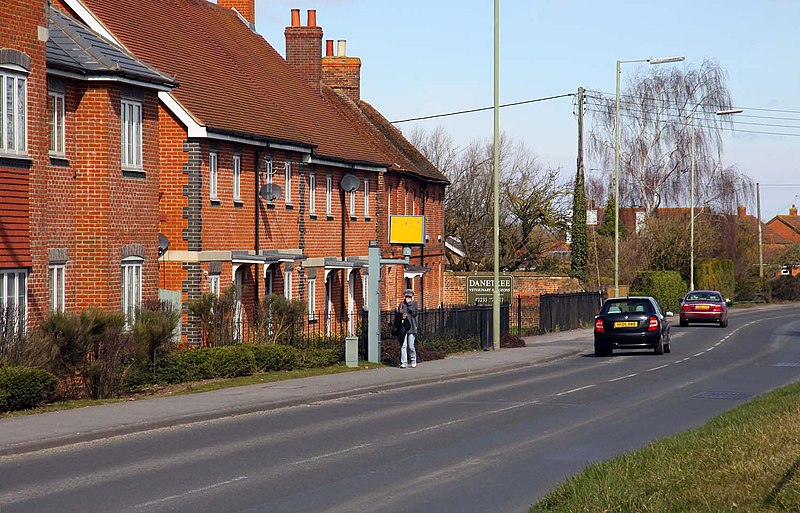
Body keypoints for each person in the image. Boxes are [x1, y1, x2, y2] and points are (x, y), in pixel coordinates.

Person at [397, 288, 418, 368]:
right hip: (403, 328)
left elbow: (414, 313)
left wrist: (409, 304)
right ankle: (404, 363)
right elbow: (399, 313)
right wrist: (402, 316)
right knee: (403, 345)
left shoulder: (414, 304)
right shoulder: (402, 304)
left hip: (412, 327)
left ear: (412, 297)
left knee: (411, 346)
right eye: (406, 297)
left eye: (409, 297)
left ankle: (413, 360)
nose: (407, 298)